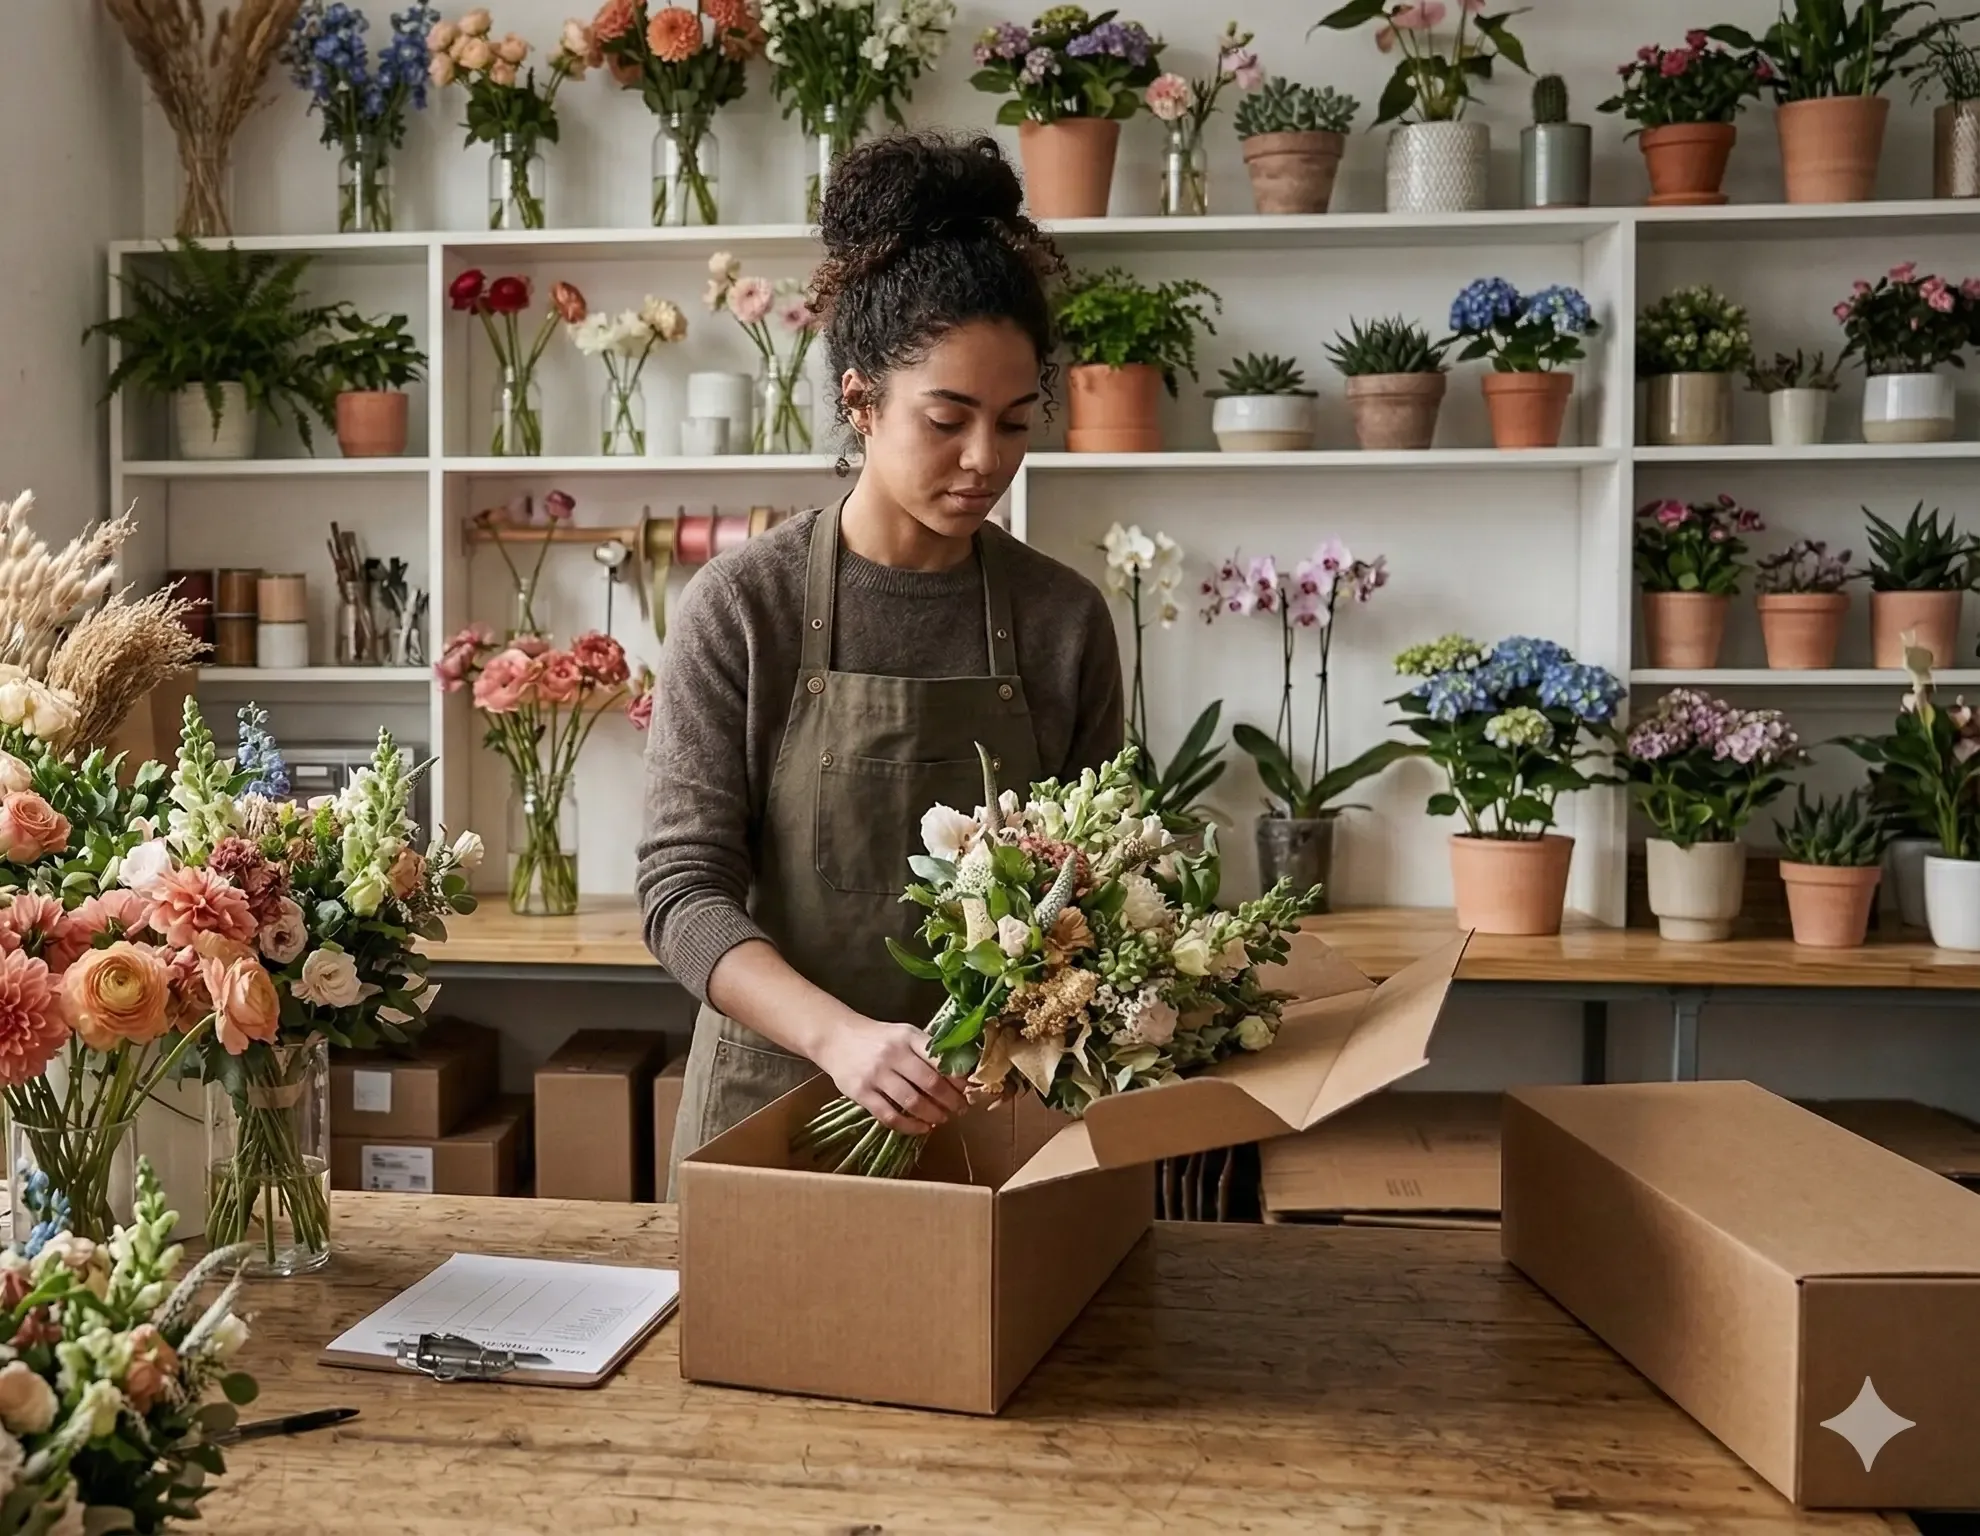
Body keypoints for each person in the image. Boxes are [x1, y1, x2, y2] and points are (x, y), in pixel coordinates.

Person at [640, 132, 1125, 1197]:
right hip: (777, 1109)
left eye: (1013, 422)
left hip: (1000, 1110)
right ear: (860, 404)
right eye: (946, 421)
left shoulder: (1064, 621)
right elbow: (682, 895)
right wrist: (844, 1041)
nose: (984, 460)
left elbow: (1104, 886)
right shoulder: (744, 607)